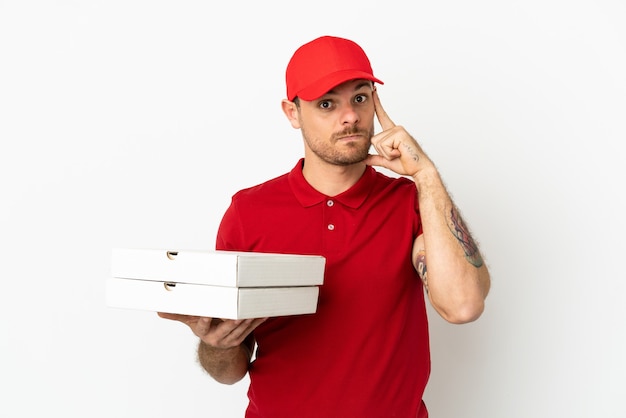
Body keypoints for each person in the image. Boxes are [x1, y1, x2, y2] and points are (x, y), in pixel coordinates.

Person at [158, 35, 491, 418]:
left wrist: (426, 175)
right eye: (327, 104)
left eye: (360, 98)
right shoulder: (248, 212)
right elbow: (231, 372)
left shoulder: (411, 203)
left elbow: (463, 305)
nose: (349, 116)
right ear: (292, 113)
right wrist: (216, 344)